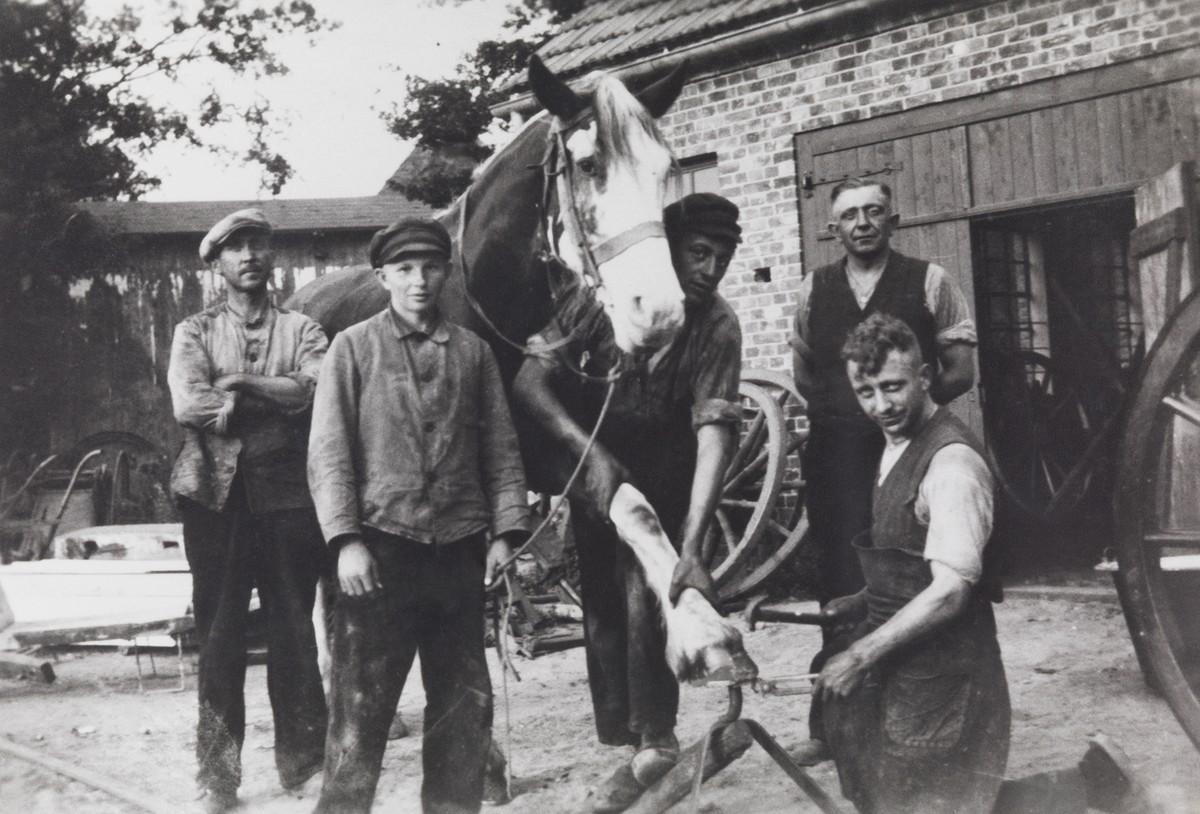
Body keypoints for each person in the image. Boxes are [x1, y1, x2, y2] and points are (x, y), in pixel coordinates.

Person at [814, 313, 1154, 814]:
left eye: (893, 387)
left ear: (926, 376)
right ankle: (1097, 781)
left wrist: (861, 654)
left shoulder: (951, 466)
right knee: (916, 796)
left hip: (950, 676)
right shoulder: (894, 448)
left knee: (928, 800)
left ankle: (1094, 785)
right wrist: (863, 598)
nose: (881, 405)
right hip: (905, 665)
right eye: (865, 392)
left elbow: (950, 589)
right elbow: (912, 562)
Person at [511, 192, 743, 813]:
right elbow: (530, 382)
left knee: (649, 596)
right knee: (604, 608)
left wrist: (692, 549)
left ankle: (655, 735)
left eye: (722, 258)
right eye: (698, 253)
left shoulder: (717, 325)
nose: (709, 269)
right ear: (668, 251)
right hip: (598, 476)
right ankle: (621, 733)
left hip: (667, 479)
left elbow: (715, 432)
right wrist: (585, 451)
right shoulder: (597, 303)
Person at [307, 216, 531, 814]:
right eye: (404, 270)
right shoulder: (352, 350)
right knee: (361, 709)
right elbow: (328, 455)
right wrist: (345, 541)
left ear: (445, 273)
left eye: (431, 268)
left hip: (458, 552)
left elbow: (502, 451)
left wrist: (505, 533)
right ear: (382, 277)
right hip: (380, 554)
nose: (419, 281)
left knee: (463, 703)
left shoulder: (474, 354)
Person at [167, 208, 329, 813]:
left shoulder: (305, 329)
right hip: (216, 497)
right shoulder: (193, 331)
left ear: (272, 255)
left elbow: (316, 390)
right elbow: (192, 404)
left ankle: (304, 766)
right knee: (219, 637)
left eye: (258, 244)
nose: (250, 256)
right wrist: (271, 394)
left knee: (295, 632)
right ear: (217, 264)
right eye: (236, 249)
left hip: (290, 495)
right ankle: (217, 777)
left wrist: (239, 382)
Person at [790, 177, 978, 609]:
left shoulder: (931, 280)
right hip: (835, 453)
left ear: (893, 221)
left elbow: (961, 373)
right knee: (838, 565)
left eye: (873, 211)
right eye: (849, 215)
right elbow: (804, 374)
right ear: (833, 228)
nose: (862, 223)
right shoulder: (813, 289)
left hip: (909, 449)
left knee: (908, 559)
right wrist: (846, 410)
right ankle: (840, 660)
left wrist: (903, 417)